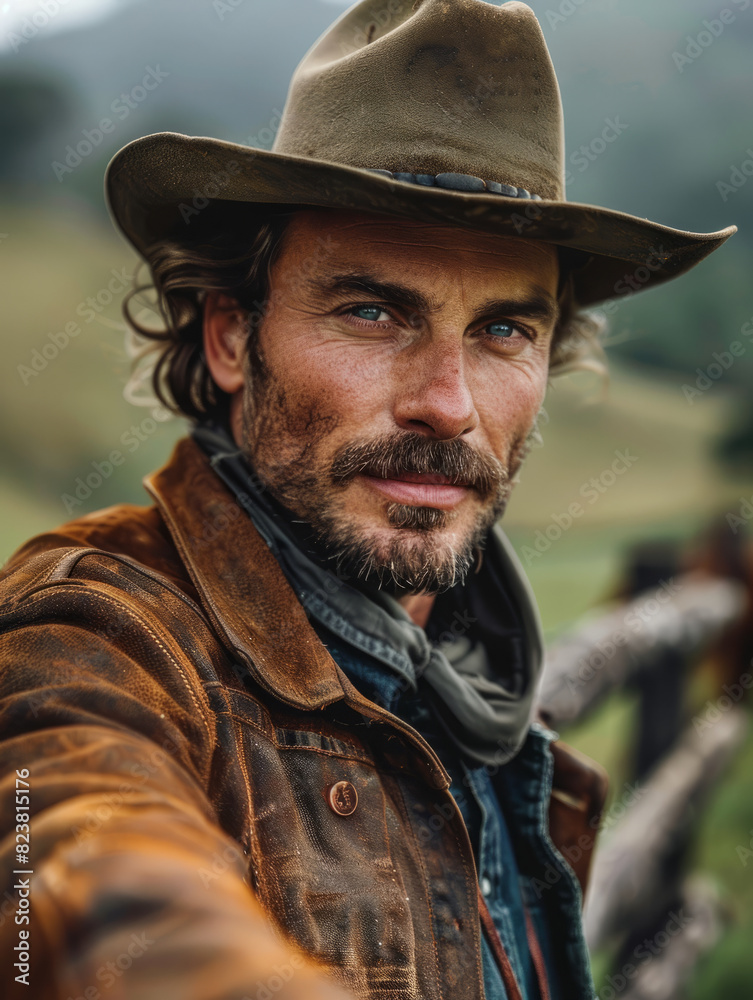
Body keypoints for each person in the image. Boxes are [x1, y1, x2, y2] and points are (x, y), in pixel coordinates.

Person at [0, 1, 735, 998]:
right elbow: (77, 865)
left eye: (505, 331)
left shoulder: (480, 682)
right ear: (229, 335)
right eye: (372, 309)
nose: (447, 403)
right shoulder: (95, 631)